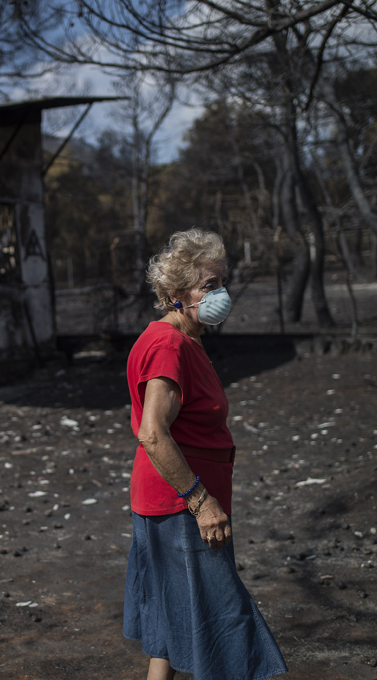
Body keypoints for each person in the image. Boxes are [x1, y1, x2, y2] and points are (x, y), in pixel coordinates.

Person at [123, 228, 287, 680]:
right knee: (226, 630)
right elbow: (153, 434)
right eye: (209, 286)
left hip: (170, 504)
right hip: (181, 506)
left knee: (176, 621)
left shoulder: (184, 341)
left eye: (222, 282)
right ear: (176, 294)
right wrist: (201, 501)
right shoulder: (168, 345)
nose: (221, 294)